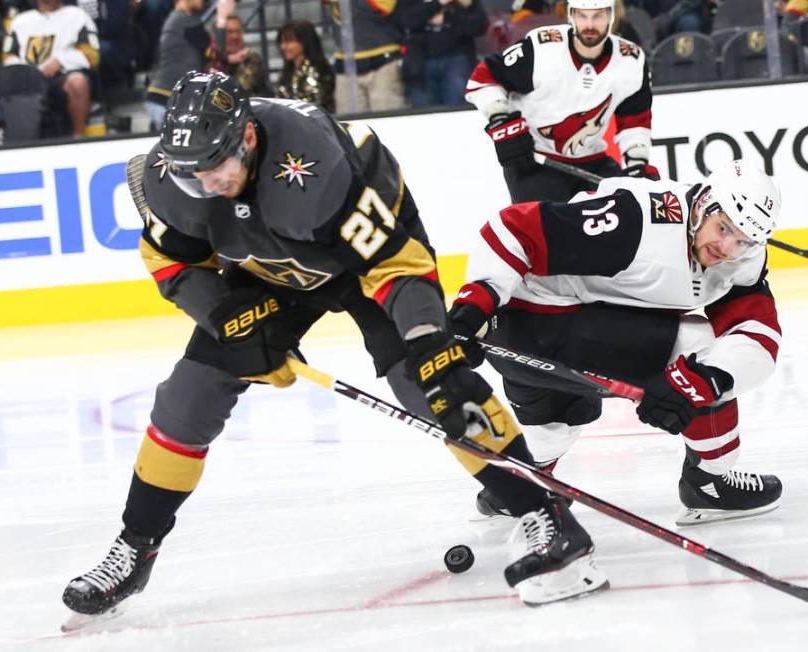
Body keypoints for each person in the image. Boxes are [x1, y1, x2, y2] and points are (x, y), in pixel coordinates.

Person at [59, 71, 608, 627]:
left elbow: (395, 263)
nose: (207, 183)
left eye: (216, 168)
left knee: (433, 387)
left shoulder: (316, 169)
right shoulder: (174, 178)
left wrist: (427, 342)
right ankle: (136, 545)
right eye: (193, 175)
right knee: (188, 397)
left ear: (246, 137)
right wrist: (225, 316)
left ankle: (546, 512)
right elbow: (171, 262)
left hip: (364, 263)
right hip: (268, 269)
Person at [449, 160, 784, 526]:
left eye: (742, 240)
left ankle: (514, 487)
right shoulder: (637, 222)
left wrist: (702, 381)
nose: (727, 246)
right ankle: (709, 483)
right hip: (536, 325)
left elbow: (757, 333)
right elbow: (512, 229)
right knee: (698, 347)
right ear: (704, 204)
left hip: (540, 336)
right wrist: (472, 306)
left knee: (559, 419)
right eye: (723, 229)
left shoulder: (742, 259)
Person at [465, 0, 657, 204]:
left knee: (628, 219)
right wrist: (501, 120)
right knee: (544, 232)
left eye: (597, 16)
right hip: (533, 160)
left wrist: (637, 164)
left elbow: (635, 120)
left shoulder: (631, 60)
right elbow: (484, 77)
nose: (589, 25)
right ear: (571, 15)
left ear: (611, 16)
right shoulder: (542, 48)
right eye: (582, 16)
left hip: (593, 162)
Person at [0, 0, 99, 137]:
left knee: (78, 82)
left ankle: (78, 137)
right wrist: (27, 70)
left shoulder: (77, 16)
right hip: (27, 82)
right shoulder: (20, 21)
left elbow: (91, 55)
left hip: (60, 77)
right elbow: (7, 56)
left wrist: (61, 61)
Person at [322, 0, 406, 113]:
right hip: (346, 63)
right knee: (349, 124)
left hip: (382, 61)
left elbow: (383, 8)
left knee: (387, 119)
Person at [402, 0, 489, 109]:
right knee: (423, 115)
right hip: (420, 64)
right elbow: (404, 22)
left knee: (458, 110)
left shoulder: (465, 3)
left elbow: (480, 26)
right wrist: (438, 3)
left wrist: (448, 18)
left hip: (457, 59)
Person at [145, 0, 209, 129]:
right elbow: (214, 51)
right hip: (166, 97)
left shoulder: (175, 20)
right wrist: (222, 19)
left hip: (163, 96)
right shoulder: (184, 20)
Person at [275, 19, 334, 112]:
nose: (283, 47)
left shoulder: (317, 71)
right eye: (282, 42)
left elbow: (317, 105)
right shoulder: (288, 72)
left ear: (304, 41)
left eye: (289, 41)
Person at [208, 13, 272, 97]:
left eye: (238, 31)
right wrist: (227, 59)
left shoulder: (251, 58)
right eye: (229, 32)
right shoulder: (210, 60)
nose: (235, 36)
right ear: (217, 36)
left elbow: (239, 91)